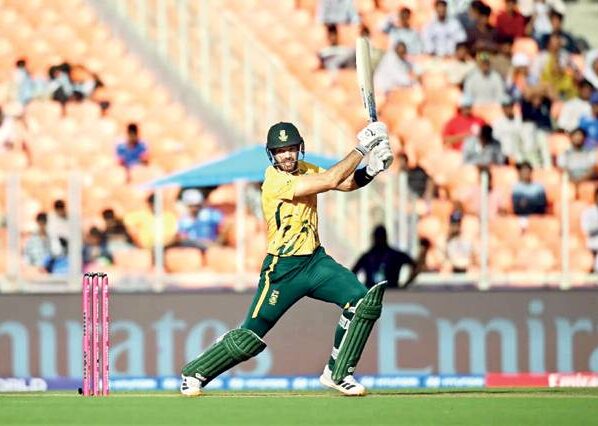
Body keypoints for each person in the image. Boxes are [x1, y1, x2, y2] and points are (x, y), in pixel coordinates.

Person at [180, 121, 394, 397]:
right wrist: (362, 148)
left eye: (291, 149)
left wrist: (372, 170)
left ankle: (338, 373)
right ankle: (194, 372)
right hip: (282, 269)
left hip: (315, 262)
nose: (287, 155)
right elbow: (330, 180)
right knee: (250, 335)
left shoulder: (306, 170)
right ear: (272, 154)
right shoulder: (275, 181)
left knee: (363, 302)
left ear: (300, 148)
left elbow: (343, 183)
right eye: (281, 151)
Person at [352, 225, 429, 289]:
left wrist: (406, 284)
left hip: (389, 292)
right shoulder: (367, 256)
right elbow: (416, 267)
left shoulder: (395, 255)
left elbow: (416, 267)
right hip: (384, 292)